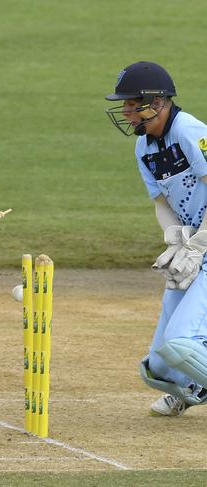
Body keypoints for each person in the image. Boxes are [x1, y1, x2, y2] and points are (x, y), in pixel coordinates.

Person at [106, 61, 207, 417]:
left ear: (158, 101)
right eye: (125, 105)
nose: (127, 112)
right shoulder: (144, 150)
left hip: (205, 247)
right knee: (159, 367)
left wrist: (198, 244)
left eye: (133, 104)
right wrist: (176, 240)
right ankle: (187, 390)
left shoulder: (190, 131)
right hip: (196, 249)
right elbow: (161, 203)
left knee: (183, 343)